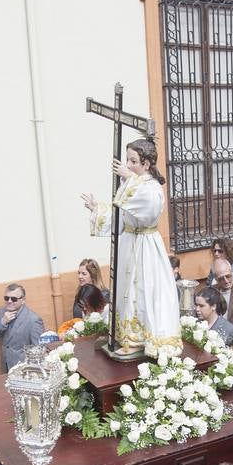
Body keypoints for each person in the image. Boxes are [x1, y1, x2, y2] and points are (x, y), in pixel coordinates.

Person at [81, 138, 182, 354]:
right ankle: (126, 337)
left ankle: (146, 339)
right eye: (127, 160)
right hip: (128, 244)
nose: (127, 165)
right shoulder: (132, 184)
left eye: (133, 161)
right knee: (125, 289)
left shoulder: (152, 187)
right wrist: (96, 209)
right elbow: (122, 214)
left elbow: (150, 207)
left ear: (146, 164)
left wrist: (130, 179)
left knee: (145, 290)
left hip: (146, 246)